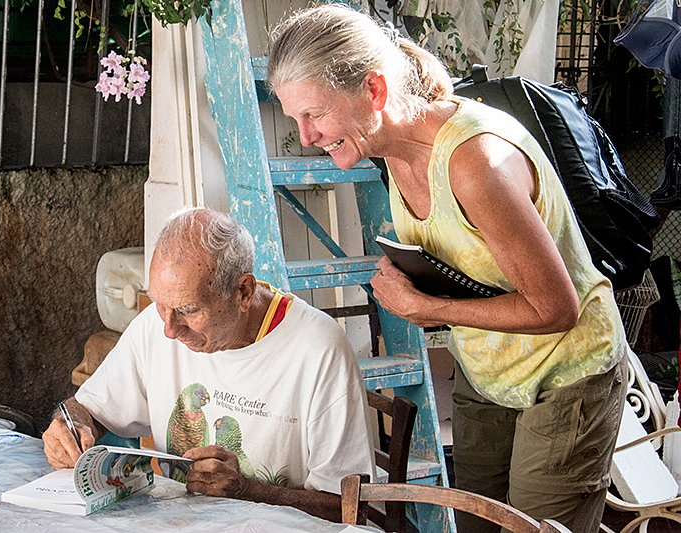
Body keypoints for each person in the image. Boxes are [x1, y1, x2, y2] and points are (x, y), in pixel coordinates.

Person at [267, 5, 628, 533]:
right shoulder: (387, 149)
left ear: (373, 90)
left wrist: (429, 306)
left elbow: (558, 308)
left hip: (566, 374)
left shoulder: (477, 161)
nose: (305, 136)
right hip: (488, 370)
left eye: (314, 114)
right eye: (294, 118)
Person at [42, 207, 375, 522]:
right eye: (160, 304)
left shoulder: (318, 350)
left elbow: (349, 508)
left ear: (243, 291)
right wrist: (71, 426)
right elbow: (88, 408)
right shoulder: (155, 328)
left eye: (188, 310)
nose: (169, 329)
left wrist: (249, 491)